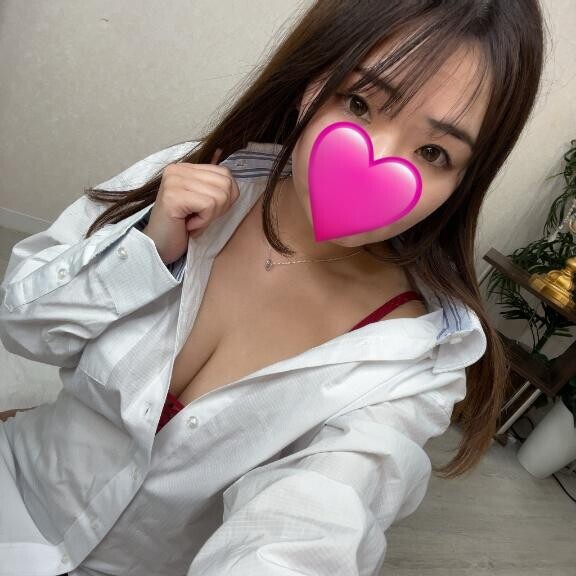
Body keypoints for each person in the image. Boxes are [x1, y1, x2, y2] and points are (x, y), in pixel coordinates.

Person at [0, 1, 545, 574]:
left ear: (464, 180)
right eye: (359, 103)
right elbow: (22, 326)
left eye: (434, 152)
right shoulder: (186, 179)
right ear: (312, 85)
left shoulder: (413, 362)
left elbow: (316, 524)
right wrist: (145, 255)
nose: (376, 162)